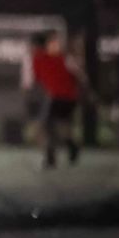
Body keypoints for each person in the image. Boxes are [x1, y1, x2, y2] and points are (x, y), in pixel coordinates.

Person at [31, 30, 81, 168]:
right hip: (71, 97)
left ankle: (50, 156)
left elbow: (37, 80)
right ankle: (71, 146)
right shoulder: (61, 57)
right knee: (62, 126)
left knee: (42, 127)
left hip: (57, 96)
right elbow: (74, 75)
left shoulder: (38, 58)